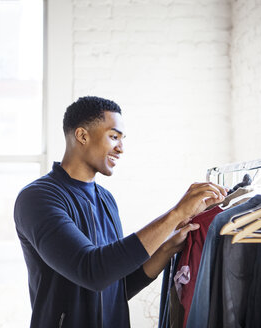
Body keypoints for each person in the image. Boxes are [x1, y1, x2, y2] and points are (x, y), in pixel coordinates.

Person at [14, 96, 227, 328]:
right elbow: (92, 271)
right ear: (82, 135)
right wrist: (175, 213)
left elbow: (117, 286)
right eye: (114, 137)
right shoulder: (38, 198)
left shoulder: (106, 200)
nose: (121, 148)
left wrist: (167, 247)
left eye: (122, 139)